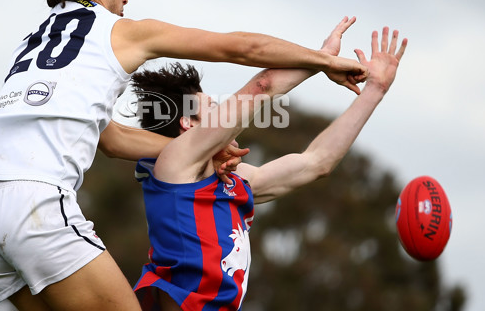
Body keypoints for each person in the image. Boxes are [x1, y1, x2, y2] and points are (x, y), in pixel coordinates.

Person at [0, 0, 369, 311]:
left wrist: (200, 150)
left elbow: (111, 139)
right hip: (36, 204)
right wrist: (319, 60)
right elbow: (240, 48)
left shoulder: (35, 42)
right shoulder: (119, 30)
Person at [131, 26, 407, 310]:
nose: (223, 110)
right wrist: (323, 59)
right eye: (212, 106)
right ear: (188, 125)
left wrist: (374, 90)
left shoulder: (233, 180)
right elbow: (262, 86)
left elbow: (317, 162)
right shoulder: (175, 165)